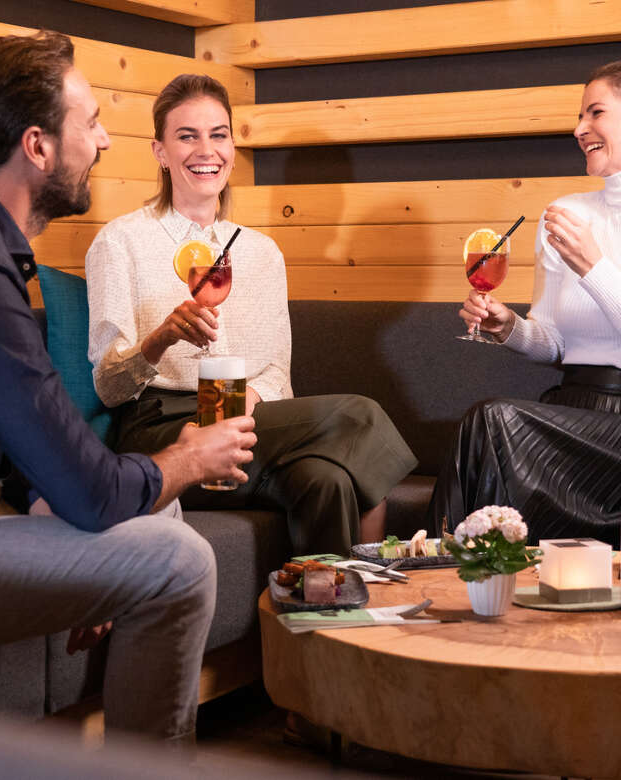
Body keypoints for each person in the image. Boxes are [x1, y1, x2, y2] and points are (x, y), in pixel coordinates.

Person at [0, 32, 256, 744]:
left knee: (152, 523)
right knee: (177, 560)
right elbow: (91, 490)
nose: (106, 141)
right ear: (39, 146)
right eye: (90, 123)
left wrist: (87, 538)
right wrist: (190, 458)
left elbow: (25, 430)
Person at [85, 74, 417, 556]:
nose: (207, 150)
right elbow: (108, 386)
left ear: (233, 147)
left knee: (327, 480)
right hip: (163, 428)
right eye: (187, 136)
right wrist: (161, 338)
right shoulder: (120, 242)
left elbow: (276, 369)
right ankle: (383, 590)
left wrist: (247, 402)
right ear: (160, 152)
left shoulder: (262, 252)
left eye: (218, 135)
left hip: (248, 416)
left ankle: (328, 623)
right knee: (359, 415)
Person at [427, 49, 621, 547]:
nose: (579, 127)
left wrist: (594, 266)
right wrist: (511, 328)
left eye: (596, 112)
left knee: (493, 419)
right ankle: (460, 577)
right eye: (580, 114)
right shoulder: (566, 212)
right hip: (570, 410)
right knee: (497, 423)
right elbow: (556, 344)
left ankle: (436, 567)